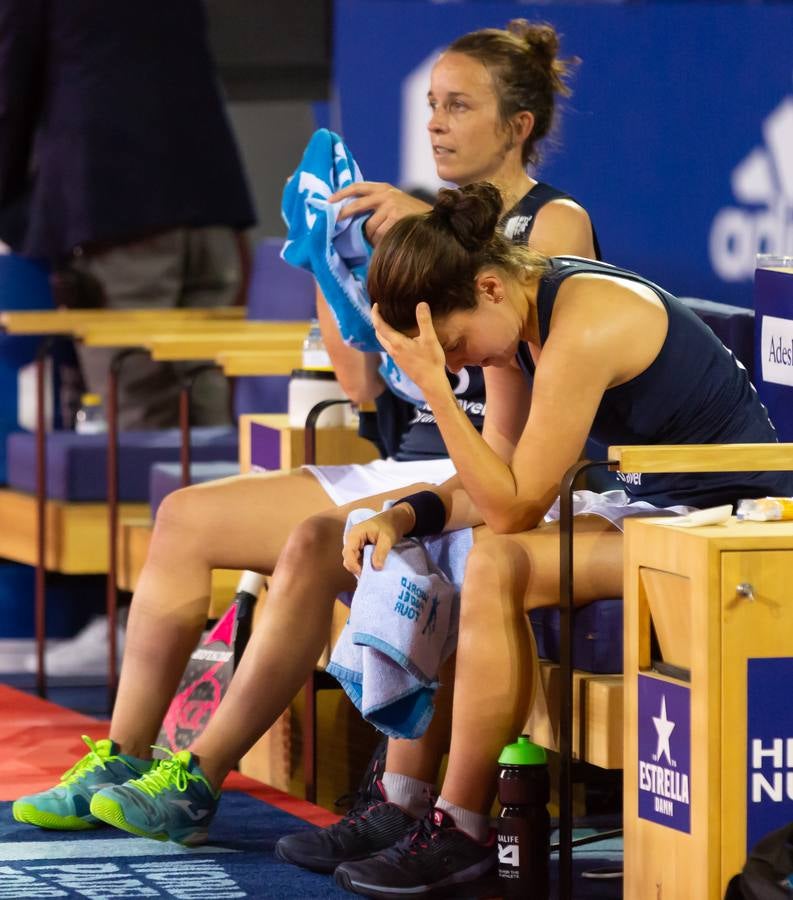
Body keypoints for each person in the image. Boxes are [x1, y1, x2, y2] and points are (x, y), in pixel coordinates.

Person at [11, 17, 596, 874]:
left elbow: (525, 348)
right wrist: (331, 264)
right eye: (431, 104)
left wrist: (413, 230)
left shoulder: (555, 223)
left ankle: (197, 780)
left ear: (517, 126)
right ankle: (127, 755)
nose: (434, 122)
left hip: (488, 466)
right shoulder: (423, 218)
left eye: (458, 106)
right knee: (182, 518)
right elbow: (361, 389)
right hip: (407, 452)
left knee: (311, 544)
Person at [316, 181, 793, 896]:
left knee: (498, 559)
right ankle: (414, 804)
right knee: (463, 553)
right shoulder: (514, 321)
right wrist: (405, 514)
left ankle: (461, 824)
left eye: (451, 348)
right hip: (657, 501)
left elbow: (510, 509)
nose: (451, 366)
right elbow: (495, 471)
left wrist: (439, 398)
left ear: (486, 285)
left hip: (734, 517)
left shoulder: (584, 323)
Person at [0, 0, 255, 429]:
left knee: (141, 424)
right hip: (211, 206)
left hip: (117, 212)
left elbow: (8, 96)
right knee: (207, 413)